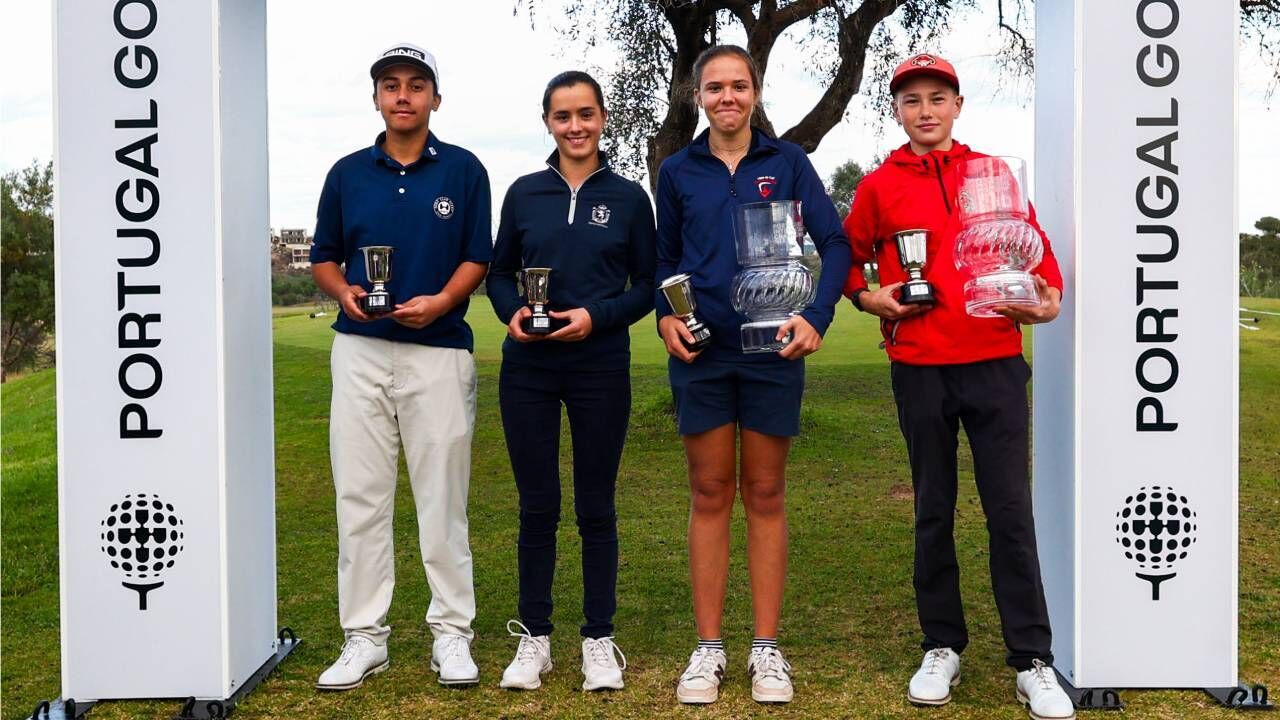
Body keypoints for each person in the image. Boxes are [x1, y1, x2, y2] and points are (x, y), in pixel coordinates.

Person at [841, 53, 1074, 720]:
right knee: (933, 510)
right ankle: (942, 644)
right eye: (911, 99)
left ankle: (1033, 658)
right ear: (896, 111)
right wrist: (869, 296)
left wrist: (1047, 297)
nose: (925, 110)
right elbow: (850, 256)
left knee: (1009, 511)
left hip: (995, 360)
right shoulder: (880, 185)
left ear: (957, 105)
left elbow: (1033, 245)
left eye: (936, 97)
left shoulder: (992, 173)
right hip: (919, 368)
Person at [655, 45, 852, 705]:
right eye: (715, 87)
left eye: (739, 86)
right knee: (710, 495)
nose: (727, 97)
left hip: (774, 354)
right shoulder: (678, 170)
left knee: (765, 496)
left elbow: (837, 242)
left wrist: (817, 317)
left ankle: (766, 650)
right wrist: (664, 318)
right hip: (704, 356)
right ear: (697, 96)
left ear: (757, 92)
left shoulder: (788, 162)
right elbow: (663, 258)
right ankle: (708, 650)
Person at [310, 43, 490, 691]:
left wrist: (443, 299)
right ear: (378, 97)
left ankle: (452, 635)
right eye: (392, 85)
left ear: (435, 97)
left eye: (417, 84)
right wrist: (344, 292)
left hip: (439, 350)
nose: (404, 95)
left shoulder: (465, 171)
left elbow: (478, 256)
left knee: (443, 498)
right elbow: (325, 256)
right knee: (360, 496)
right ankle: (365, 637)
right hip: (358, 348)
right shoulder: (348, 172)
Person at [486, 70, 656, 692]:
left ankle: (598, 638)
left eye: (586, 114)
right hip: (528, 367)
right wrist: (512, 314)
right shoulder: (525, 193)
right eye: (563, 116)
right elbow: (499, 273)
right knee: (537, 506)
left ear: (603, 118)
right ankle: (535, 638)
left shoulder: (632, 197)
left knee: (595, 506)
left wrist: (598, 317)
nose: (576, 126)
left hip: (600, 364)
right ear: (548, 123)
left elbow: (646, 285)